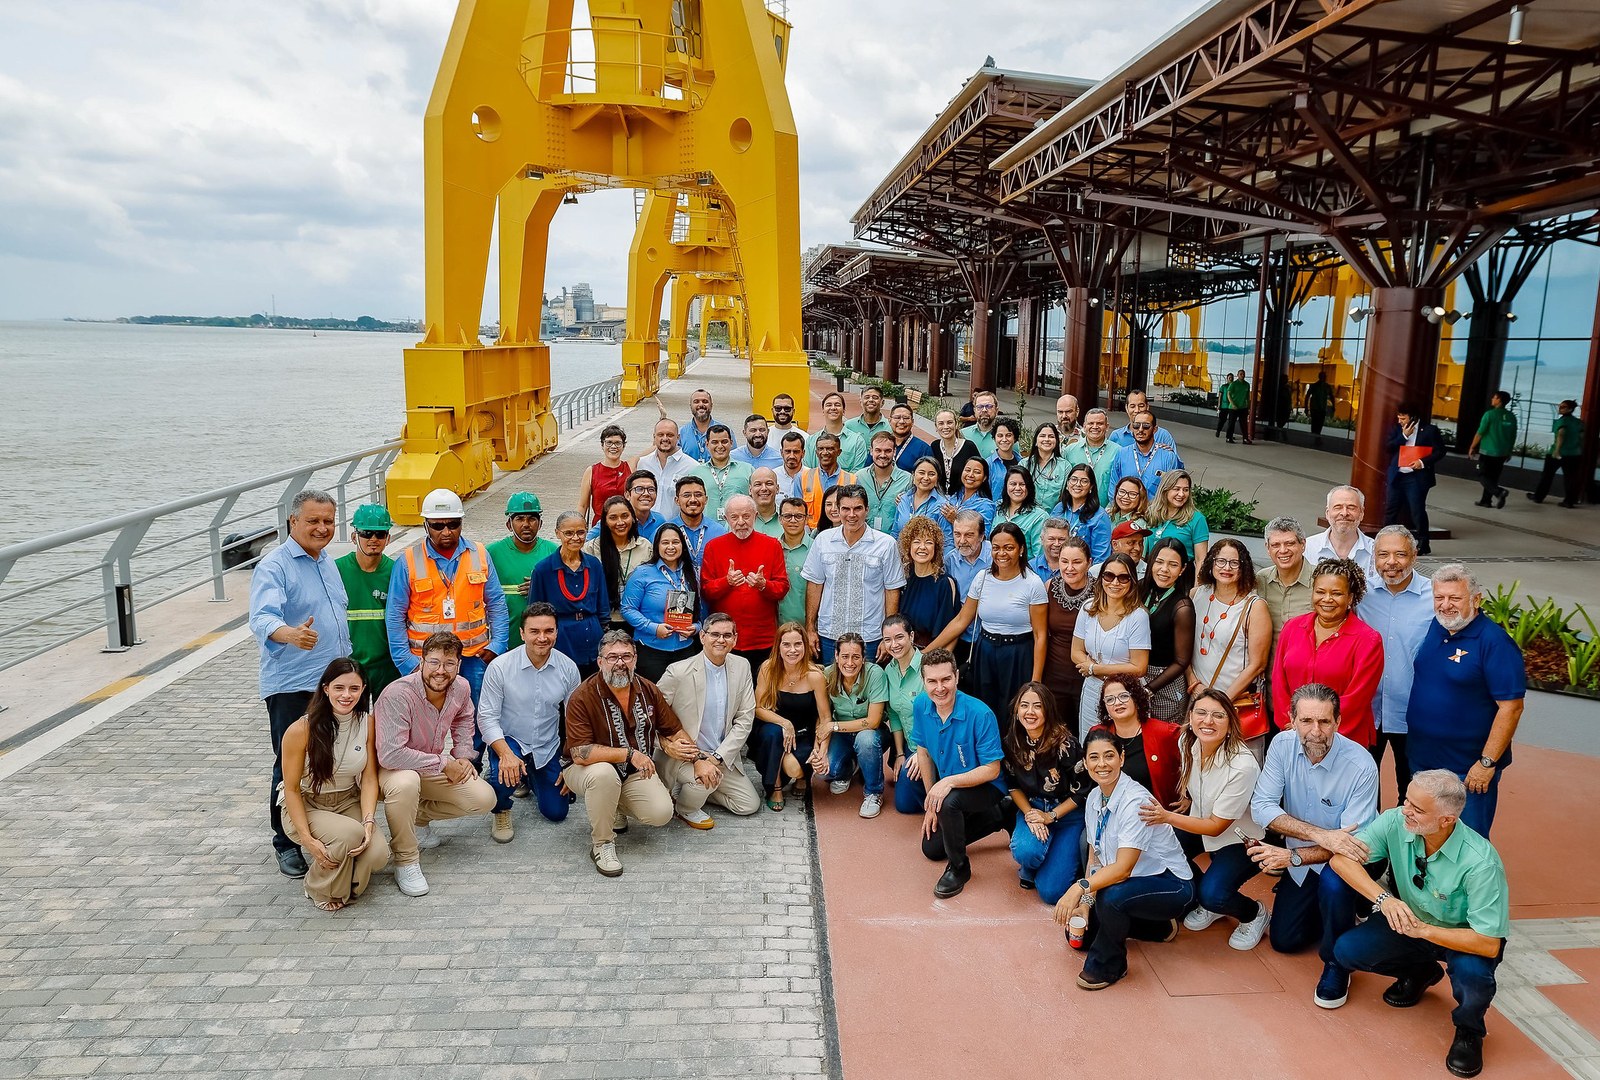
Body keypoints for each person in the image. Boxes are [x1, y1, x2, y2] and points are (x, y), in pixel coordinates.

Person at [1329, 770, 1509, 1078]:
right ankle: (1421, 971)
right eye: (1407, 800)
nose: (1405, 811)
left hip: (1462, 936)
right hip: (1411, 921)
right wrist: (1384, 900)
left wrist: (1424, 931)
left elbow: (1488, 942)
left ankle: (1469, 1031)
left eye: (1417, 808)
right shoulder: (1396, 820)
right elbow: (1341, 859)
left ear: (1446, 820)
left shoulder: (1481, 863)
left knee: (1473, 978)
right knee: (1347, 950)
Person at [1248, 683, 1380, 1009]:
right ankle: (1351, 910)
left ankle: (1337, 963)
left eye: (1324, 722)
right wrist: (1322, 835)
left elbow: (1352, 844)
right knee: (1284, 941)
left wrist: (1292, 855)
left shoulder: (1361, 765)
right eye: (1306, 721)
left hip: (1349, 858)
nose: (1315, 732)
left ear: (1338, 721)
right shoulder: (1281, 745)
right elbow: (1262, 807)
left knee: (1335, 887)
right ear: (1291, 720)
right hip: (1309, 854)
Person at [249, 489, 351, 878]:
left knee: (332, 760)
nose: (322, 528)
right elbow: (261, 617)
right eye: (313, 521)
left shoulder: (326, 562)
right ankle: (286, 843)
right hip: (294, 683)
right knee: (291, 764)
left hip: (333, 682)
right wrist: (288, 634)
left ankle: (326, 827)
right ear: (293, 522)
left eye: (328, 521)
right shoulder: (274, 565)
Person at [1052, 726, 1195, 991]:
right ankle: (1158, 928)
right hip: (1131, 883)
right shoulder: (1095, 796)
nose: (1102, 764)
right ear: (1085, 762)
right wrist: (1085, 903)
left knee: (1112, 898)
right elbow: (1095, 855)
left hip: (1171, 884)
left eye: (1109, 756)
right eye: (1093, 757)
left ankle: (1110, 965)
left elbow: (1122, 869)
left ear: (1122, 758)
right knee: (1081, 934)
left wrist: (1079, 887)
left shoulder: (1135, 801)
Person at [563, 631, 700, 877]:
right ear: (600, 661)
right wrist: (629, 754)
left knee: (661, 813)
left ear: (635, 659)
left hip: (632, 772)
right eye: (612, 657)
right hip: (585, 770)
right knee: (603, 774)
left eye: (626, 656)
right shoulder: (583, 696)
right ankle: (602, 844)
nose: (620, 663)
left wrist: (699, 760)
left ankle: (612, 806)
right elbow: (580, 753)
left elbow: (675, 729)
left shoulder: (648, 689)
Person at [1144, 689, 1269, 950]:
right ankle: (1206, 899)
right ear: (1191, 716)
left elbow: (1215, 827)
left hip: (1242, 840)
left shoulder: (1242, 766)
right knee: (1161, 847)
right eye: (1201, 713)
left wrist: (1167, 817)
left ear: (1231, 721)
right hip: (1203, 822)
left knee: (1214, 894)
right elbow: (1197, 783)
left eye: (1217, 715)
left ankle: (1253, 913)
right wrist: (1189, 799)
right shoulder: (1188, 742)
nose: (1207, 721)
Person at [1406, 564, 1525, 838]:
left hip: (1467, 772)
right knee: (1422, 832)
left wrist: (1486, 763)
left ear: (1476, 599)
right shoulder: (1436, 628)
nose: (1445, 605)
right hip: (1422, 760)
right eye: (1439, 598)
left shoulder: (1494, 643)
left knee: (1467, 841)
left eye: (1455, 598)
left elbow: (1512, 708)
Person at [375, 632, 498, 897]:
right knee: (407, 783)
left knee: (484, 798)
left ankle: (418, 819)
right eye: (434, 662)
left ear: (458, 665)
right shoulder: (398, 694)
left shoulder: (461, 687)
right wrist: (444, 762)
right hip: (389, 771)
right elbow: (391, 755)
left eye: (449, 663)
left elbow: (464, 720)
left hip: (427, 767)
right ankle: (405, 860)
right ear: (421, 662)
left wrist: (463, 757)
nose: (441, 671)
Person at [277, 658, 390, 911]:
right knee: (351, 834)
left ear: (363, 690)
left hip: (346, 799)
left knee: (379, 854)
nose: (346, 695)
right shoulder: (301, 729)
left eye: (354, 688)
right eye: (339, 688)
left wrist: (369, 820)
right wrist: (307, 839)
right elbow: (292, 789)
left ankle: (343, 877)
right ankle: (319, 886)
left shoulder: (367, 722)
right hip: (307, 804)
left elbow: (370, 778)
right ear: (326, 688)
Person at [386, 487, 509, 708]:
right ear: (426, 525)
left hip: (472, 658)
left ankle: (474, 746)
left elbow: (497, 604)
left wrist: (498, 645)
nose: (446, 531)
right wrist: (406, 662)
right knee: (423, 724)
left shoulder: (480, 554)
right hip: (424, 662)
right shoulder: (407, 562)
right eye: (438, 525)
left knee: (476, 720)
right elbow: (394, 615)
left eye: (453, 524)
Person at [910, 648, 1012, 899]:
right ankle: (1001, 816)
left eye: (946, 679)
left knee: (948, 802)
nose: (939, 688)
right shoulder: (922, 704)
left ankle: (959, 868)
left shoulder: (980, 714)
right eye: (932, 681)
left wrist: (946, 785)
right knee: (932, 849)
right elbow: (922, 752)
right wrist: (931, 802)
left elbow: (992, 769)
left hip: (986, 786)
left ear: (956, 676)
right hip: (952, 786)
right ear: (923, 681)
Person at [478, 603, 582, 841]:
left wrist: (570, 762)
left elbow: (575, 720)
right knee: (502, 779)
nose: (542, 638)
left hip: (546, 746)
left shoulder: (568, 668)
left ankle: (530, 776)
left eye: (549, 631)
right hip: (511, 742)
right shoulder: (500, 667)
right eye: (534, 631)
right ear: (522, 633)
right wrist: (505, 754)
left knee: (557, 812)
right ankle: (501, 806)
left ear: (556, 631)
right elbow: (486, 717)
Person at [928, 522, 1048, 721]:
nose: (1002, 553)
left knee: (1014, 712)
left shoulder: (1033, 584)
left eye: (1009, 547)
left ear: (1021, 549)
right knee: (984, 710)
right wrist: (927, 652)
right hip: (985, 652)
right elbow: (961, 620)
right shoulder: (982, 578)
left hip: (1018, 655)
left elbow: (1040, 635)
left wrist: (1036, 681)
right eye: (996, 547)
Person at [657, 615, 762, 826]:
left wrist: (717, 758)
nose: (720, 640)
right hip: (686, 755)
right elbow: (653, 713)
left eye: (727, 635)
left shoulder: (741, 666)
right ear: (702, 637)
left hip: (721, 754)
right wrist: (667, 744)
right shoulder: (678, 672)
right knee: (704, 780)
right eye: (714, 634)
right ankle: (686, 808)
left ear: (735, 639)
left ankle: (702, 789)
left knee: (748, 805)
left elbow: (745, 718)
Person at [1270, 557, 1384, 747]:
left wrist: (1319, 733)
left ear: (1350, 598)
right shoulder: (1292, 628)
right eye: (1320, 592)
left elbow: (1357, 697)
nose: (1327, 599)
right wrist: (1291, 727)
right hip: (1293, 737)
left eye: (1337, 593)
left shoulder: (1368, 640)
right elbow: (1279, 684)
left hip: (1344, 741)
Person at [1359, 526, 1433, 804]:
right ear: (1374, 558)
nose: (1391, 562)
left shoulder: (1433, 596)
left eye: (1400, 554)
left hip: (1413, 713)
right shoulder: (1360, 594)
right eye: (1383, 554)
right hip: (1368, 711)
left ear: (1414, 556)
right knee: (1362, 790)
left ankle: (1408, 845)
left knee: (1414, 792)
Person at [1004, 682, 1089, 903]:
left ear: (1048, 710)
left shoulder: (1067, 745)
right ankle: (1036, 861)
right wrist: (1031, 815)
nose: (1029, 712)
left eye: (1037, 706)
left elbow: (1083, 792)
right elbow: (1012, 785)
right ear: (1016, 710)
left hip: (1068, 814)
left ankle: (1059, 857)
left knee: (1051, 893)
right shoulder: (1012, 741)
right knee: (1026, 852)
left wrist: (1050, 817)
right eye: (1024, 705)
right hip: (1034, 807)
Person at [802, 484, 905, 664]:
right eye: (846, 509)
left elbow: (892, 590)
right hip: (829, 635)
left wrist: (887, 636)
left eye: (857, 508)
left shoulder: (885, 544)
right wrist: (810, 628)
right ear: (838, 510)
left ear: (867, 509)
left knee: (869, 688)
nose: (851, 515)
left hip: (870, 636)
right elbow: (815, 585)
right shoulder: (822, 540)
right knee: (831, 688)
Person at [1187, 539, 1273, 752]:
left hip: (1234, 704)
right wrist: (1194, 684)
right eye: (1221, 561)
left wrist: (1219, 702)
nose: (1227, 568)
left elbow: (1258, 664)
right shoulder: (1197, 594)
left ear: (1243, 567)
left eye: (1234, 563)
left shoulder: (1254, 606)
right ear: (1211, 563)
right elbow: (1184, 646)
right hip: (1197, 697)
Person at [700, 494, 788, 671]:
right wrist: (727, 582)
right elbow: (706, 591)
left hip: (762, 638)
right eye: (734, 517)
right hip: (723, 638)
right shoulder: (713, 547)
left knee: (761, 691)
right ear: (726, 519)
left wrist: (764, 585)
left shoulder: (772, 545)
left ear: (755, 516)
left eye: (746, 516)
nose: (741, 522)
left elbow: (782, 588)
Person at [750, 622, 831, 811]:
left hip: (804, 733)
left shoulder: (814, 676)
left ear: (805, 645)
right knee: (773, 733)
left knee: (793, 768)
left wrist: (821, 747)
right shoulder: (768, 669)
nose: (792, 650)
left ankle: (800, 775)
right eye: (786, 644)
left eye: (798, 644)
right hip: (772, 729)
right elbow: (758, 708)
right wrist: (784, 723)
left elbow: (825, 717)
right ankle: (775, 787)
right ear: (778, 646)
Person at [1072, 552, 1151, 740]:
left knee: (1124, 744)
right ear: (1101, 579)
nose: (1115, 583)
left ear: (1132, 581)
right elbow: (1076, 651)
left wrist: (1094, 668)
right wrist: (1093, 670)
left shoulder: (1138, 616)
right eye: (1109, 576)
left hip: (1126, 693)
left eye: (1123, 578)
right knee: (1091, 742)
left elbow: (1139, 667)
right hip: (1093, 688)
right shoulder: (1087, 608)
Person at [816, 633, 889, 818]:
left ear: (863, 658)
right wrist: (821, 750)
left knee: (865, 739)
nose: (850, 663)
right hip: (842, 734)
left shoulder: (875, 675)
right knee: (825, 771)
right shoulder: (827, 675)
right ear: (836, 656)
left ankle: (874, 792)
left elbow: (872, 721)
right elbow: (824, 717)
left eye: (856, 657)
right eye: (845, 656)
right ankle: (850, 767)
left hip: (872, 733)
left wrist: (833, 726)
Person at [528, 511, 607, 679]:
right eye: (569, 533)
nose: (575, 538)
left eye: (580, 532)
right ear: (558, 533)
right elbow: (534, 612)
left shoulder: (594, 564)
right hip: (561, 639)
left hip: (592, 636)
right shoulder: (543, 569)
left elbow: (603, 607)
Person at [620, 522, 702, 683]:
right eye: (665, 542)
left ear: (682, 545)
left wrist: (696, 628)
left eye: (675, 542)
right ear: (657, 545)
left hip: (685, 650)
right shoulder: (643, 573)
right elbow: (627, 609)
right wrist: (654, 628)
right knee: (654, 700)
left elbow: (701, 609)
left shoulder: (692, 572)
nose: (670, 547)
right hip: (651, 649)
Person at [335, 503, 401, 698]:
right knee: (352, 724)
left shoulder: (396, 572)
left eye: (380, 534)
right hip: (349, 665)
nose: (373, 539)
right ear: (354, 536)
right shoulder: (336, 570)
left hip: (387, 666)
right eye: (367, 533)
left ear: (388, 538)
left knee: (388, 724)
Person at [1091, 675, 1183, 808]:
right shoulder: (1098, 734)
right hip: (1111, 813)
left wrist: (1188, 795)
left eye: (1124, 696)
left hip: (1156, 816)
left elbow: (1194, 761)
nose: (1117, 703)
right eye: (1110, 699)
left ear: (1136, 698)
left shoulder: (1164, 732)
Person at [490, 492, 560, 650]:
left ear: (540, 524)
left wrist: (542, 588)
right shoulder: (491, 553)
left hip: (543, 640)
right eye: (519, 519)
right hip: (507, 640)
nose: (526, 524)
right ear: (509, 525)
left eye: (532, 519)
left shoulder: (554, 552)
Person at [1141, 538, 1195, 721]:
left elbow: (1181, 661)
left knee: (1162, 744)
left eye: (1173, 565)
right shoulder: (1140, 589)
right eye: (1159, 562)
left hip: (1166, 684)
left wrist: (1148, 689)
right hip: (1136, 672)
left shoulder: (1182, 607)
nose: (1164, 569)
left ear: (1182, 570)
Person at [1384, 402, 1447, 555]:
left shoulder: (1429, 431)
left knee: (1417, 511)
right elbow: (1388, 447)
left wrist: (1422, 462)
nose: (1400, 421)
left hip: (1416, 478)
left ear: (1413, 417)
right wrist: (1404, 436)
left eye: (1403, 418)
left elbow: (1440, 451)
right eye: (1399, 418)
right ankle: (1386, 541)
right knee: (1391, 509)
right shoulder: (1398, 429)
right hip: (1398, 475)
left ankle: (1424, 543)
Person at [1043, 536, 1094, 723]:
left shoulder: (1101, 592)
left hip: (1087, 676)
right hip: (1054, 674)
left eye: (1077, 562)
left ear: (1089, 563)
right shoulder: (1050, 586)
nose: (1069, 568)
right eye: (1064, 561)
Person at [585, 496, 652, 633]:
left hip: (637, 619)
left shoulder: (645, 547)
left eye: (625, 516)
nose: (620, 522)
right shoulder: (591, 549)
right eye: (613, 517)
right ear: (605, 522)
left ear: (633, 518)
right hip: (602, 620)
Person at [879, 615, 925, 814]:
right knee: (904, 805)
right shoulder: (889, 670)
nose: (894, 644)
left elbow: (936, 718)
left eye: (899, 637)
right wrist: (899, 754)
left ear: (911, 636)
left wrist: (920, 754)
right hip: (909, 744)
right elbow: (895, 715)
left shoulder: (927, 668)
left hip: (930, 746)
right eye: (887, 640)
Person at [896, 514, 962, 647]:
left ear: (936, 548)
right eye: (916, 541)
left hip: (932, 655)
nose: (922, 547)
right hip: (904, 652)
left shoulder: (945, 584)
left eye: (929, 542)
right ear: (908, 546)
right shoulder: (904, 580)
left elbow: (950, 635)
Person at [1260, 516, 1315, 653]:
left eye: (1289, 543)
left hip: (1306, 670)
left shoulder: (1321, 580)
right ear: (1267, 548)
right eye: (1275, 545)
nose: (1283, 550)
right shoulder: (1260, 580)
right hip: (1267, 671)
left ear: (1303, 544)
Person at [943, 510, 991, 661]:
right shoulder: (949, 560)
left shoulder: (995, 557)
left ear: (982, 536)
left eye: (969, 535)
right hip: (960, 636)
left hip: (988, 636)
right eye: (957, 534)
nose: (962, 540)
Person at [1110, 411, 1184, 499]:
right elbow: (1113, 488)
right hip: (1127, 510)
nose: (1140, 430)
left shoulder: (1168, 457)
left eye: (1146, 426)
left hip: (1156, 511)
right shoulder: (1122, 454)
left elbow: (1173, 491)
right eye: (1136, 426)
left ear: (1155, 429)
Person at [687, 423, 754, 521]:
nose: (720, 446)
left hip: (739, 529)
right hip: (707, 531)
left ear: (731, 443)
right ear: (707, 444)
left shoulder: (748, 470)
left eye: (724, 442)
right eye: (714, 442)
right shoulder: (695, 474)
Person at [1528, 398, 1585, 507]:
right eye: (1560, 406)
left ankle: (1539, 497)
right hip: (1574, 454)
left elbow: (1561, 434)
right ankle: (1570, 501)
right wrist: (1580, 450)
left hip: (1558, 453)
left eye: (1563, 407)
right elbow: (1582, 437)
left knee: (1547, 476)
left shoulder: (1562, 421)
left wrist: (1557, 450)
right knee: (1571, 478)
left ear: (1570, 409)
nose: (1560, 409)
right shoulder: (1579, 423)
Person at [1144, 469, 1209, 564]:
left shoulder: (1197, 519)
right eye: (1176, 489)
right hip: (1152, 571)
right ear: (1165, 490)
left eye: (1186, 490)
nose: (1181, 494)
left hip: (1182, 574)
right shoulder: (1151, 513)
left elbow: (1201, 560)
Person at [664, 474, 728, 568]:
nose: (693, 500)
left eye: (698, 495)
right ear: (677, 500)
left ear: (706, 500)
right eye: (687, 495)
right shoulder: (664, 532)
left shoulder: (719, 532)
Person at [797, 431, 857, 530]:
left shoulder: (852, 480)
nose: (825, 453)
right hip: (811, 534)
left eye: (830, 449)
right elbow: (797, 510)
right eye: (821, 449)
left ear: (839, 452)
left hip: (842, 533)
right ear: (816, 452)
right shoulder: (802, 477)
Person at [1466, 390, 1516, 509]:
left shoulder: (1489, 414)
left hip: (1488, 451)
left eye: (1494, 398)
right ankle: (1486, 501)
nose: (1492, 399)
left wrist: (1472, 447)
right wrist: (1509, 451)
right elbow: (1513, 436)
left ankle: (1499, 492)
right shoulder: (1511, 416)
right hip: (1502, 453)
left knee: (1481, 474)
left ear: (1499, 400)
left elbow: (1480, 432)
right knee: (1493, 477)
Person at [1054, 463, 1111, 565]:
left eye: (1084, 481)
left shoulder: (1100, 516)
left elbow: (1100, 558)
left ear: (1091, 487)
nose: (1078, 484)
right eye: (1074, 479)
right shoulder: (1059, 508)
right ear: (1067, 484)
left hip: (1084, 573)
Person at [588, 470, 664, 543]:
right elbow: (585, 544)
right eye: (639, 489)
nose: (646, 494)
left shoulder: (660, 521)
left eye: (651, 489)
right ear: (627, 495)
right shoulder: (613, 522)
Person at [577, 425, 631, 526]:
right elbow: (583, 505)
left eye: (618, 443)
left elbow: (655, 451)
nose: (613, 447)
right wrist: (577, 527)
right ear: (602, 445)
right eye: (609, 442)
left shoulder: (630, 467)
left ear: (623, 446)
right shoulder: (592, 471)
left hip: (625, 526)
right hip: (600, 527)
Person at [861, 430, 912, 534]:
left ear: (894, 451)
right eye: (878, 450)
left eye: (888, 451)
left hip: (894, 540)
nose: (883, 455)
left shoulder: (908, 480)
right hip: (864, 540)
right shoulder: (859, 477)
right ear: (871, 451)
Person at [1064, 407, 1118, 502]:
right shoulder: (1070, 451)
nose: (1095, 427)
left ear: (1107, 427)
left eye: (1100, 423)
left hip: (1105, 511)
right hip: (1074, 510)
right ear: (1084, 427)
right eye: (1091, 423)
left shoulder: (1118, 452)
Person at [805, 391, 868, 471]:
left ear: (844, 411)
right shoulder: (811, 441)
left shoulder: (857, 441)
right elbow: (808, 470)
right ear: (823, 411)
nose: (833, 408)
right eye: (829, 405)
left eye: (837, 405)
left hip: (847, 483)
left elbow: (857, 472)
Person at [774, 497, 812, 628]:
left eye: (799, 516)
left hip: (805, 629)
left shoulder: (816, 550)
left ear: (806, 519)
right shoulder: (771, 548)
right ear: (780, 519)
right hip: (773, 630)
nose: (793, 520)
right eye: (788, 516)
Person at [993, 467, 1048, 558]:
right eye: (1013, 484)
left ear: (1029, 487)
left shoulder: (1040, 517)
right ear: (1006, 486)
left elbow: (1039, 556)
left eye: (1022, 484)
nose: (1017, 488)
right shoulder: (997, 508)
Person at [634, 417, 697, 495]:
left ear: (678, 437)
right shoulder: (643, 463)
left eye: (670, 435)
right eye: (660, 435)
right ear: (654, 437)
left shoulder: (692, 467)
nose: (665, 438)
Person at [895, 456, 950, 544]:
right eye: (921, 473)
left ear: (937, 479)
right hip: (901, 555)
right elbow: (895, 532)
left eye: (931, 474)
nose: (926, 478)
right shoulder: (903, 499)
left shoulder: (943, 505)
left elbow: (947, 540)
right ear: (913, 475)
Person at [930, 408, 983, 494]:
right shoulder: (934, 446)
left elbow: (980, 474)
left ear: (956, 424)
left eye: (949, 422)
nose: (945, 427)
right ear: (936, 427)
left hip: (963, 499)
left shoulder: (969, 446)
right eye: (941, 423)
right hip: (939, 499)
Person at [942, 457, 996, 539]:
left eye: (977, 472)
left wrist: (955, 520)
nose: (970, 475)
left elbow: (983, 537)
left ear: (984, 478)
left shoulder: (985, 505)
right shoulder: (953, 497)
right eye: (967, 470)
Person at [1109, 390, 1177, 450]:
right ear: (1126, 408)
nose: (1137, 410)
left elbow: (1175, 463)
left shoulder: (1163, 436)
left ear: (1147, 407)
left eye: (1141, 406)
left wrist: (1170, 455)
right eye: (1132, 406)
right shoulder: (1116, 436)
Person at [1025, 421, 1070, 511]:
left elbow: (1065, 497)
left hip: (1054, 518)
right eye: (1042, 436)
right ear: (1036, 442)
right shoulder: (1024, 464)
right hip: (1027, 516)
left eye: (1051, 436)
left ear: (1057, 442)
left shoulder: (1065, 466)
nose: (1047, 439)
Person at [678, 387, 720, 464]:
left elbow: (733, 458)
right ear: (690, 406)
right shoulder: (681, 433)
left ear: (711, 405)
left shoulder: (724, 431)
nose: (701, 404)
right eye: (696, 402)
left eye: (705, 401)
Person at [987, 417, 1024, 500]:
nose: (1004, 439)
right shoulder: (988, 464)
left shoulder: (1022, 462)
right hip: (996, 510)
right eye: (1000, 436)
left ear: (1015, 438)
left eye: (1008, 435)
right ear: (994, 438)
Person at [890, 401, 932, 472]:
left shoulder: (923, 449)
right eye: (897, 417)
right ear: (890, 420)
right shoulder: (880, 444)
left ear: (912, 422)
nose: (901, 421)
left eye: (906, 418)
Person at [961, 390, 1000, 459]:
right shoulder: (962, 434)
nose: (984, 410)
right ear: (974, 410)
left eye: (989, 406)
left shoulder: (1006, 437)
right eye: (980, 407)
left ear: (996, 410)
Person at [749, 466, 785, 537]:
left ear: (777, 488)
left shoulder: (789, 518)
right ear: (750, 490)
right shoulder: (738, 521)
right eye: (758, 484)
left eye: (769, 484)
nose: (764, 488)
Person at [776, 430, 809, 500]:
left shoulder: (812, 476)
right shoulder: (773, 476)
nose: (791, 456)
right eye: (787, 451)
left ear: (803, 453)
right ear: (781, 453)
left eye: (796, 452)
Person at [1306, 371, 1335, 446]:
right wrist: (1306, 407)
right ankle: (1317, 438)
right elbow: (1307, 396)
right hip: (1316, 408)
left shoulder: (1325, 386)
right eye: (1324, 376)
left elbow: (1332, 396)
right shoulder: (1315, 386)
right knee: (1316, 424)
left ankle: (1316, 438)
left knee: (1318, 424)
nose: (1325, 378)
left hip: (1320, 408)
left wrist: (1333, 406)